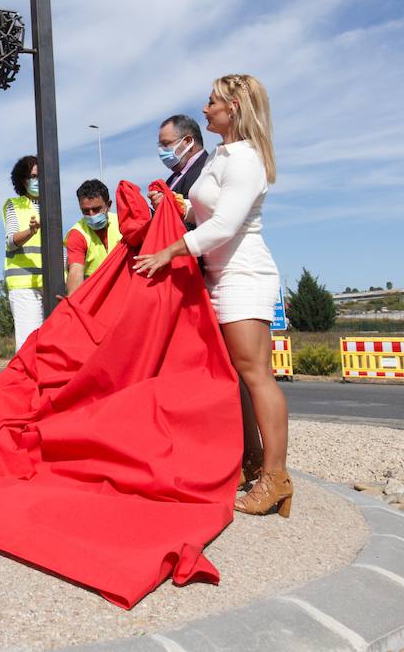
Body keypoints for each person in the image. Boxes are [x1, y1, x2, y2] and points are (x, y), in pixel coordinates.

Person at [132, 74, 290, 518]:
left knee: (255, 374)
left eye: (212, 102)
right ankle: (254, 460)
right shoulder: (224, 154)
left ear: (234, 108)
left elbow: (225, 226)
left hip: (242, 274)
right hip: (219, 275)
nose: (205, 110)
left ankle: (276, 477)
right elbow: (207, 210)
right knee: (236, 375)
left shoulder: (245, 159)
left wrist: (169, 252)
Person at [2, 155, 44, 349]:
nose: (36, 180)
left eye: (39, 175)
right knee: (30, 347)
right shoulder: (14, 205)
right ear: (22, 180)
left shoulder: (51, 204)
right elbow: (11, 241)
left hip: (53, 284)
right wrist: (31, 231)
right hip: (26, 285)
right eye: (31, 177)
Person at [64, 179, 122, 295]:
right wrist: (72, 304)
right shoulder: (77, 234)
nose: (91, 215)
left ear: (108, 205)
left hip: (121, 291)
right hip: (92, 295)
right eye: (85, 211)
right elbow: (76, 271)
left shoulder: (123, 224)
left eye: (96, 209)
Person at [158, 114, 207, 200]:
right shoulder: (172, 180)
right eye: (160, 146)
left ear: (187, 141)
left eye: (166, 144)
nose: (161, 150)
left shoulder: (208, 169)